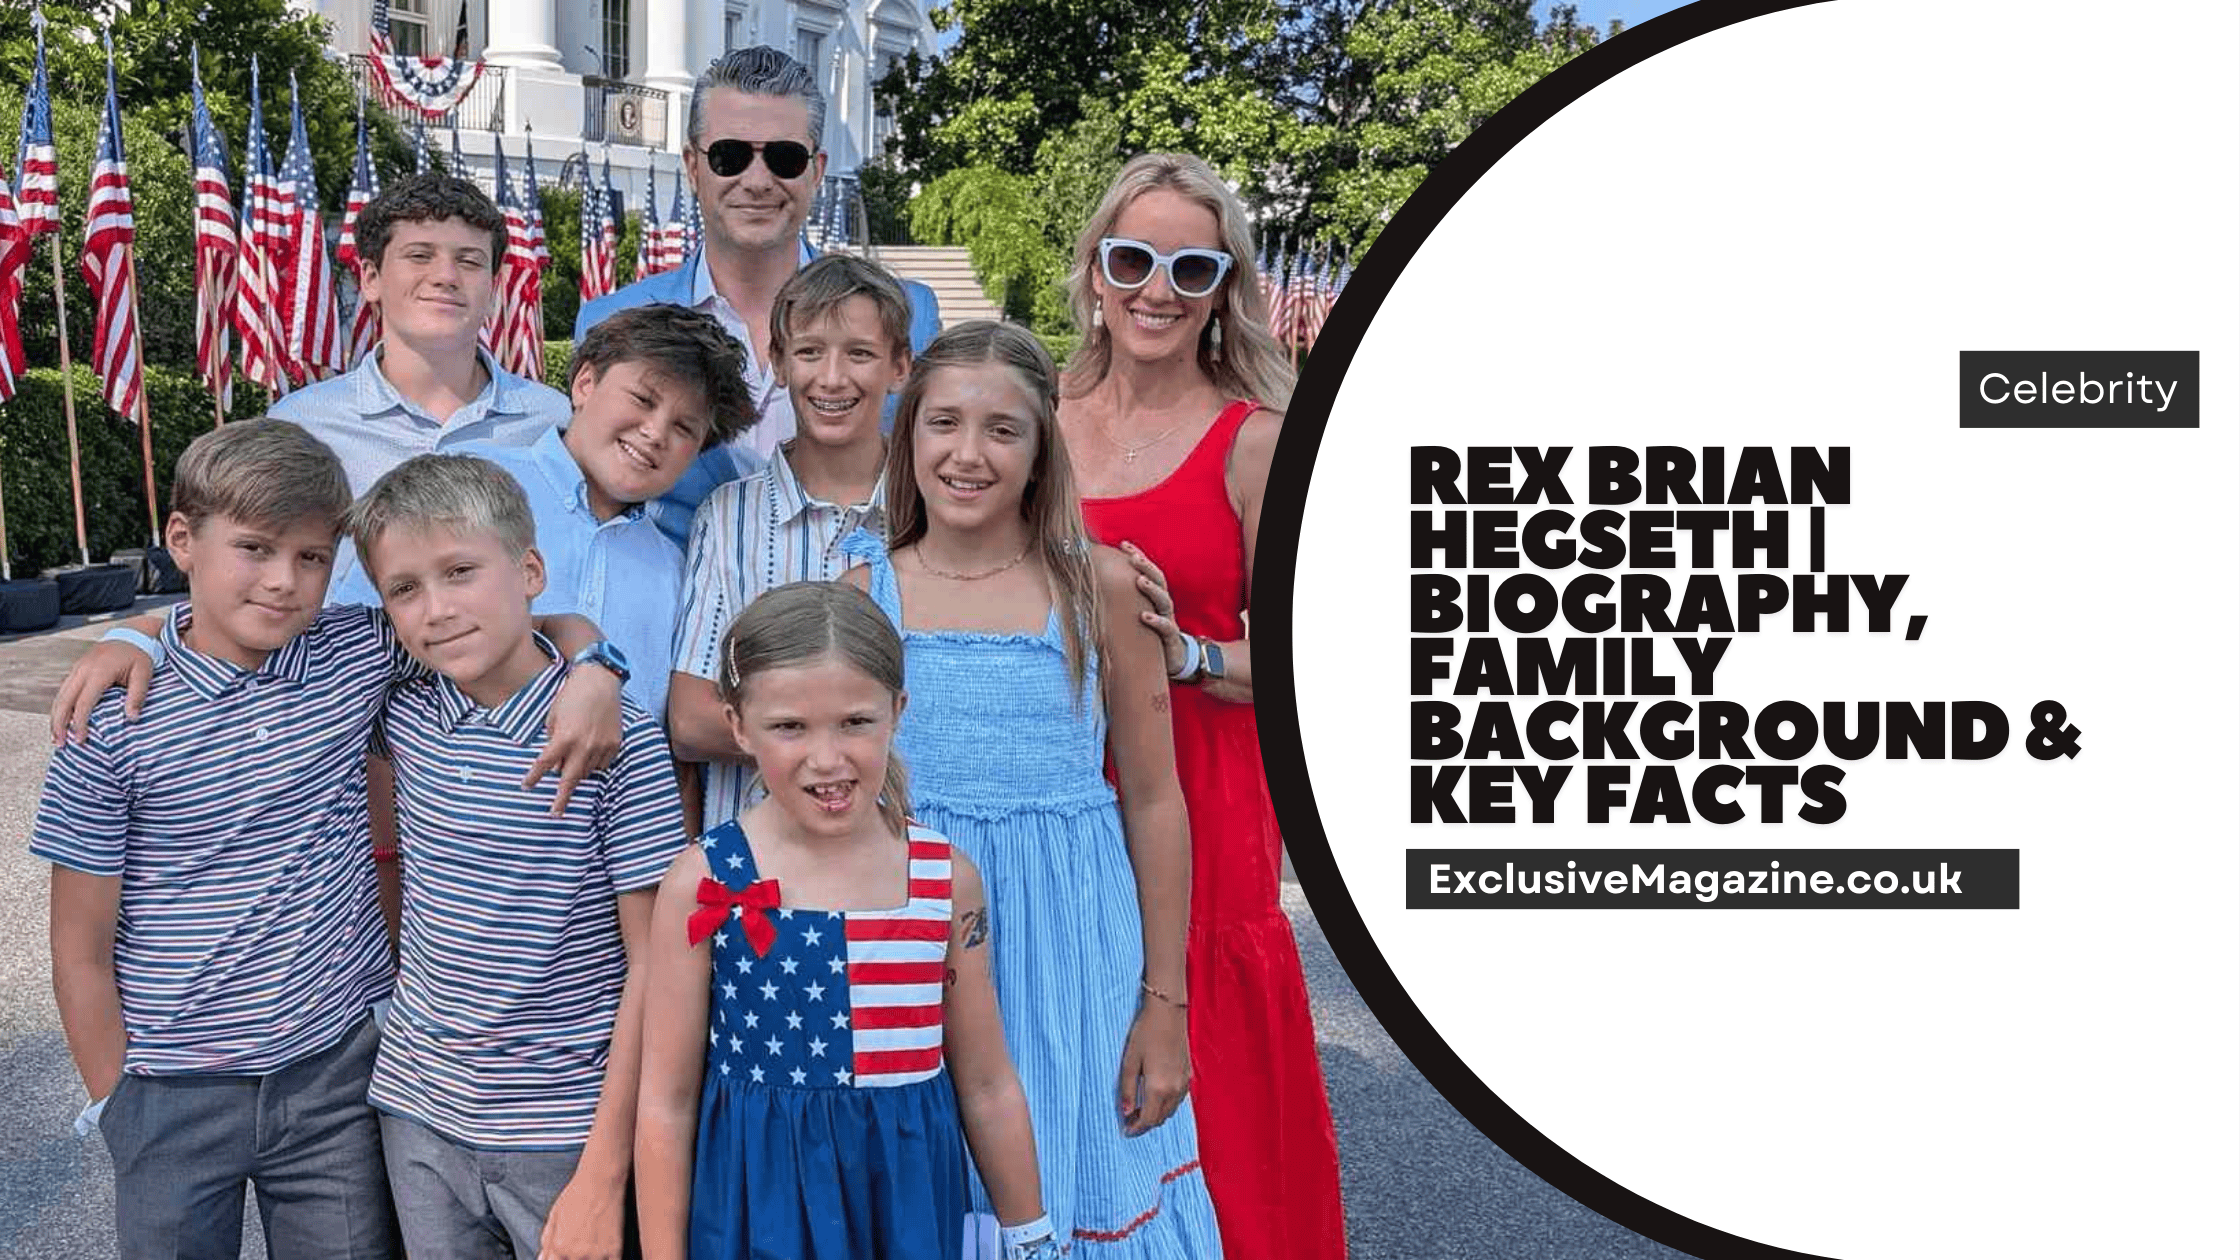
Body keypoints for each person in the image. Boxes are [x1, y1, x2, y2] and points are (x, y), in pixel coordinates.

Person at [34, 421, 620, 1259]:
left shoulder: (356, 651)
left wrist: (597, 667)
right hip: (169, 1091)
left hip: (334, 1077)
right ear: (182, 540)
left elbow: (524, 619)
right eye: (255, 549)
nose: (284, 581)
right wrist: (116, 1103)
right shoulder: (111, 719)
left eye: (311, 557)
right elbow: (78, 945)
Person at [838, 322, 1221, 1255]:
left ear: (1043, 446)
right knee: (937, 1198)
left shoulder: (1100, 588)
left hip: (1073, 954)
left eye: (1002, 429)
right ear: (908, 436)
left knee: (1074, 1175)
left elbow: (1154, 799)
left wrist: (1164, 1005)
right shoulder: (861, 596)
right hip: (912, 948)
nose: (968, 454)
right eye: (944, 423)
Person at [1060, 153, 1345, 1260]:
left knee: (1208, 1077)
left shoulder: (1257, 440)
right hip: (1060, 783)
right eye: (1134, 259)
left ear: (1225, 289)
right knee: (1069, 1055)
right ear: (1095, 269)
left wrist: (1183, 654)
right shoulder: (1037, 417)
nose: (1157, 290)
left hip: (1204, 787)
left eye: (1192, 269)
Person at [635, 581, 1057, 1260]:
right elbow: (666, 1100)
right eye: (790, 727)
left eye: (855, 722)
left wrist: (1033, 1238)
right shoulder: (706, 881)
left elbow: (986, 1083)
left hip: (905, 1213)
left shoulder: (945, 880)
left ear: (897, 711)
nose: (827, 758)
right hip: (757, 1213)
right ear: (738, 726)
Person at [347, 454, 684, 1260]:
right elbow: (255, 639)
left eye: (461, 572)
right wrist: (129, 632)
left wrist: (606, 1171)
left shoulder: (618, 741)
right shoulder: (402, 709)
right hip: (419, 1112)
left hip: (567, 1128)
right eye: (404, 589)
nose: (437, 609)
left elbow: (656, 966)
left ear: (530, 571)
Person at [574, 45, 941, 548]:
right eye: (730, 156)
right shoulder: (613, 319)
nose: (757, 181)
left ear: (816, 170)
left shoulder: (912, 316)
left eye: (784, 158)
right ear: (693, 166)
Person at [668, 254, 911, 831]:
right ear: (777, 363)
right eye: (809, 352)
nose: (832, 378)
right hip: (758, 855)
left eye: (860, 354)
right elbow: (691, 718)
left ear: (900, 366)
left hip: (900, 851)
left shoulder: (930, 512)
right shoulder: (729, 516)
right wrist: (847, 740)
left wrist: (781, 725)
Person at [438, 303, 756, 726]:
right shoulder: (467, 483)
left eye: (684, 428)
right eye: (642, 399)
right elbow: (371, 635)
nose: (655, 433)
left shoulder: (674, 574)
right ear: (585, 383)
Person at [269, 171, 574, 596]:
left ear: (493, 287)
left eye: (469, 261)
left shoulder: (553, 420)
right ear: (370, 278)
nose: (445, 275)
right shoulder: (301, 425)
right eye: (419, 255)